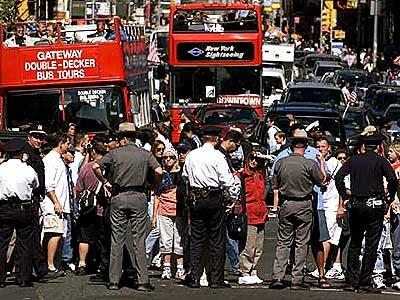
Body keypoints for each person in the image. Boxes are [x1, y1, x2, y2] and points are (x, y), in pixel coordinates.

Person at [93, 122, 163, 291]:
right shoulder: (145, 154)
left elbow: (96, 166)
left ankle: (114, 281)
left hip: (119, 196)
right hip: (139, 196)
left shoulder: (114, 153)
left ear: (123, 138)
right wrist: (153, 185)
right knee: (139, 240)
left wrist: (105, 182)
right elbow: (159, 171)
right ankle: (142, 281)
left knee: (117, 239)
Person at [335, 133, 397, 293]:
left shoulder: (354, 160)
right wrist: (388, 197)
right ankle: (365, 281)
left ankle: (352, 280)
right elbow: (392, 179)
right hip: (375, 204)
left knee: (355, 243)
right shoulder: (380, 161)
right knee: (371, 244)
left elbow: (339, 177)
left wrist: (345, 195)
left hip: (357, 203)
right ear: (378, 146)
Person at [182, 127, 241, 289]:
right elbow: (228, 181)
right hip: (214, 198)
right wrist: (233, 199)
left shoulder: (192, 155)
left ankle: (194, 277)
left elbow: (185, 176)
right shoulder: (217, 156)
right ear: (216, 140)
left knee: (197, 239)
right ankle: (216, 279)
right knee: (217, 239)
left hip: (196, 198)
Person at [270, 129, 326, 290]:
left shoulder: (281, 162)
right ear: (306, 146)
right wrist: (321, 163)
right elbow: (322, 180)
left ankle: (278, 276)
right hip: (303, 204)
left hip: (286, 203)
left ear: (291, 145)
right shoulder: (309, 164)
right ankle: (297, 278)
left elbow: (274, 183)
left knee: (283, 242)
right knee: (301, 243)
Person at [0, 139, 39, 288]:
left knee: (2, 242)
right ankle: (23, 277)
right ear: (22, 153)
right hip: (23, 207)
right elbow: (36, 184)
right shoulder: (28, 169)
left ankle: (1, 278)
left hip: (4, 207)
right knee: (25, 242)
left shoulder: (2, 168)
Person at [152, 147, 186, 280]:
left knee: (179, 239)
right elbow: (157, 195)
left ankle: (180, 267)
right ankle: (166, 267)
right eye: (165, 158)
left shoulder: (182, 174)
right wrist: (154, 216)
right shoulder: (161, 175)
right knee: (165, 240)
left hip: (179, 210)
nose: (168, 160)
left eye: (171, 157)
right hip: (164, 210)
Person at [75, 142, 108, 276]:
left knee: (84, 237)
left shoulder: (86, 168)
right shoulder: (108, 167)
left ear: (93, 152)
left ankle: (82, 264)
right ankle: (102, 264)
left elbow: (78, 189)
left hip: (87, 207)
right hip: (102, 207)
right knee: (102, 237)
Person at [41, 132, 71, 274]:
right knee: (54, 233)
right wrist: (56, 202)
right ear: (60, 143)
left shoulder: (57, 159)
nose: (68, 146)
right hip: (53, 205)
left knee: (58, 233)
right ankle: (50, 265)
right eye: (67, 143)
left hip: (60, 204)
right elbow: (48, 185)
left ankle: (54, 264)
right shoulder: (51, 160)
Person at [238, 148, 269, 285]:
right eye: (252, 158)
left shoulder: (261, 173)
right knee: (249, 245)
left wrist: (263, 157)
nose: (254, 161)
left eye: (257, 160)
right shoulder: (243, 174)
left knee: (259, 246)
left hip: (261, 212)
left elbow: (270, 163)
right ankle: (245, 270)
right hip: (248, 212)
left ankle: (254, 270)